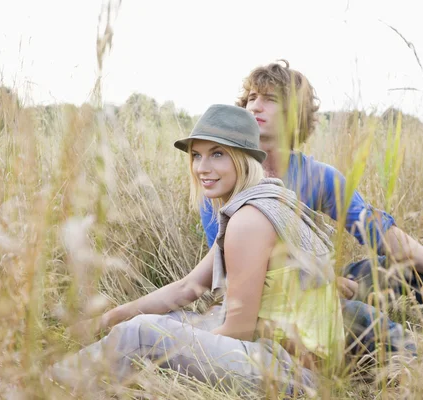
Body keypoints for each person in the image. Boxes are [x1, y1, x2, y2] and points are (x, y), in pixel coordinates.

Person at [48, 104, 346, 397]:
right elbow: (188, 287)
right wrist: (107, 319)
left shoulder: (250, 221)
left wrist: (168, 351)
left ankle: (48, 388)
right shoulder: (266, 203)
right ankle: (74, 378)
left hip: (294, 376)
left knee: (143, 333)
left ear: (243, 159)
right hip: (283, 356)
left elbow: (238, 330)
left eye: (217, 154)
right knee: (168, 321)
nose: (202, 168)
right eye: (196, 155)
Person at [199, 60, 423, 324]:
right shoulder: (222, 177)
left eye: (270, 100)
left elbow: (375, 230)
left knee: (419, 266)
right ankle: (406, 359)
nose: (255, 107)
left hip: (321, 279)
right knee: (357, 315)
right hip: (271, 301)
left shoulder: (317, 175)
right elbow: (233, 272)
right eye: (251, 98)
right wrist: (325, 282)